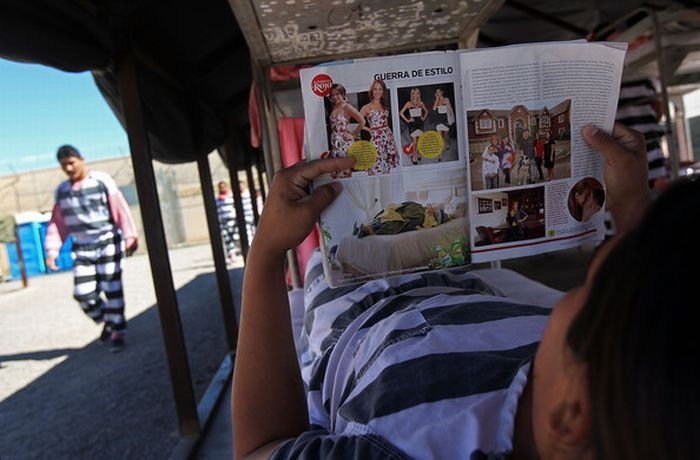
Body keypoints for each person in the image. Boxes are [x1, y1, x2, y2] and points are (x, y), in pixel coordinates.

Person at [232, 123, 698, 459]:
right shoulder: (623, 391)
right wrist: (632, 206)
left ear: (571, 418)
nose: (575, 294)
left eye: (591, 292)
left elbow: (261, 446)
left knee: (341, 251)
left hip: (359, 311)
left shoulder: (395, 448)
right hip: (456, 286)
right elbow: (668, 325)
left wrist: (266, 255)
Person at [44, 145, 138, 352]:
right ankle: (109, 320)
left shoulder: (101, 181)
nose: (68, 168)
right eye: (63, 165)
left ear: (81, 159)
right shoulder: (62, 191)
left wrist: (130, 236)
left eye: (71, 163)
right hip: (82, 246)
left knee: (111, 288)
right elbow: (57, 223)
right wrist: (52, 250)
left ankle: (117, 333)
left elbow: (120, 208)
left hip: (107, 241)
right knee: (82, 293)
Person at [359, 79, 399, 175]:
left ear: (383, 91)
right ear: (372, 91)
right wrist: (368, 129)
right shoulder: (366, 107)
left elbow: (386, 123)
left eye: (380, 89)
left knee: (387, 168)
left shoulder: (384, 105)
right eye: (375, 89)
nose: (377, 92)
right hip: (376, 139)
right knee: (374, 167)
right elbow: (358, 123)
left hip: (388, 137)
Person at [328, 83, 365, 178]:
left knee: (345, 171)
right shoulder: (334, 106)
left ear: (343, 94)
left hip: (344, 143)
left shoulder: (347, 107)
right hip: (335, 143)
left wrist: (353, 135)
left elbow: (362, 121)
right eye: (333, 95)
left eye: (337, 94)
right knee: (336, 171)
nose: (335, 97)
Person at [399, 87, 428, 165]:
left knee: (419, 141)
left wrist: (423, 117)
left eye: (417, 93)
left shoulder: (421, 103)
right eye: (414, 93)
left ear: (419, 94)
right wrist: (408, 120)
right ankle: (414, 156)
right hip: (412, 124)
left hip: (420, 124)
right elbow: (401, 112)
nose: (415, 95)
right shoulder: (408, 103)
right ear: (412, 94)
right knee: (414, 142)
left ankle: (418, 153)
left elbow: (426, 111)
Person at [431, 87, 455, 160]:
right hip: (439, 121)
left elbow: (450, 109)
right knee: (439, 137)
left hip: (445, 121)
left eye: (439, 92)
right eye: (436, 92)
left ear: (442, 92)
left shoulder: (446, 100)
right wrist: (437, 99)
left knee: (446, 135)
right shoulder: (436, 101)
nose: (438, 93)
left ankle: (447, 143)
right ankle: (440, 155)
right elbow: (434, 109)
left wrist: (452, 119)